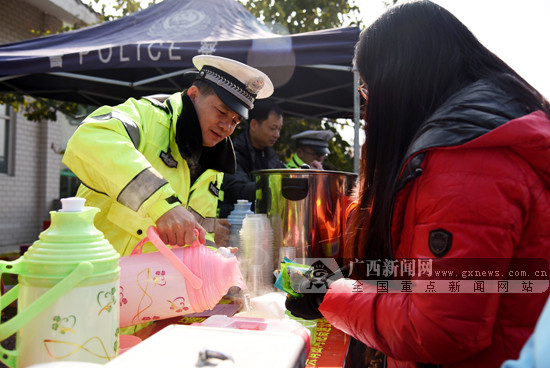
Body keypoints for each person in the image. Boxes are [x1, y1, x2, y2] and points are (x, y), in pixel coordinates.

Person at [285, 1, 550, 367]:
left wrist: (330, 295)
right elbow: (424, 278)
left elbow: (440, 329)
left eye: (367, 86)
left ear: (399, 79)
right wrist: (347, 279)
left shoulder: (469, 161)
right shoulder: (462, 144)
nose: (368, 104)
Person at [63, 55, 274, 256]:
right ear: (193, 95)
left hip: (147, 289)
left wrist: (216, 266)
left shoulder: (214, 166)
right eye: (221, 112)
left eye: (236, 121)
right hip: (88, 280)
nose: (227, 127)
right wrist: (161, 206)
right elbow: (89, 138)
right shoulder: (146, 116)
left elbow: (199, 235)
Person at [218, 99, 286, 217]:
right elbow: (237, 190)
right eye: (272, 128)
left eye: (279, 129)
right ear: (254, 125)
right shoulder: (232, 151)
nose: (277, 135)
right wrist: (273, 184)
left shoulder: (271, 155)